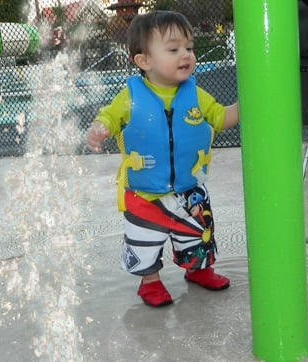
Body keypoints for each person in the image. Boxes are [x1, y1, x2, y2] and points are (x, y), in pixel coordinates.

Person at [86, 10, 239, 307]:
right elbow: (109, 116)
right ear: (144, 61)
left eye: (189, 48)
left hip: (190, 191)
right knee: (145, 243)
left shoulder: (195, 94)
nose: (186, 55)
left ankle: (199, 269)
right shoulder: (130, 96)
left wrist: (249, 101)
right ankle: (150, 283)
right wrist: (100, 128)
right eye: (173, 49)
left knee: (197, 236)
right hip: (145, 194)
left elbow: (220, 118)